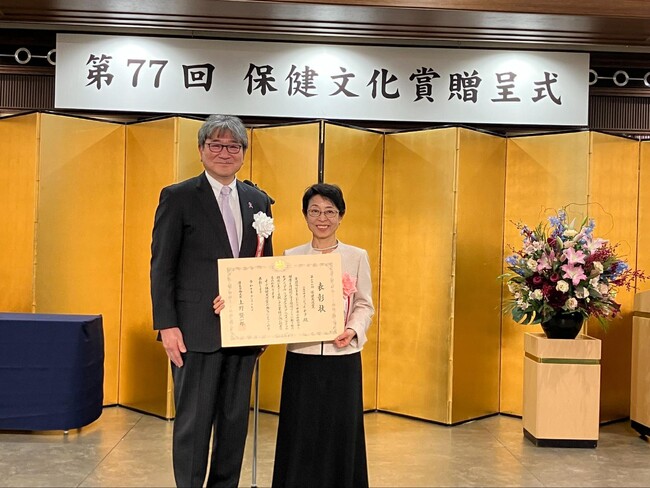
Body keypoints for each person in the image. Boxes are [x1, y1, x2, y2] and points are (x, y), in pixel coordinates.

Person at [150, 114, 273, 488]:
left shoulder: (258, 201)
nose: (224, 152)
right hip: (194, 332)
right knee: (194, 424)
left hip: (244, 332)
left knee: (234, 425)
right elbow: (162, 265)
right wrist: (167, 326)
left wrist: (266, 322)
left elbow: (264, 266)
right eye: (216, 145)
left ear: (243, 152)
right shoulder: (179, 197)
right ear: (201, 150)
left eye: (233, 146)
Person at [272, 183, 375, 488]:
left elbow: (364, 304)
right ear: (305, 215)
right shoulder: (291, 256)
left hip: (342, 358)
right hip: (301, 358)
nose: (322, 218)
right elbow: (281, 304)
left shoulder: (356, 256)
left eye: (330, 211)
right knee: (300, 430)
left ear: (341, 216)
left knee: (341, 430)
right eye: (315, 211)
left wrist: (352, 330)